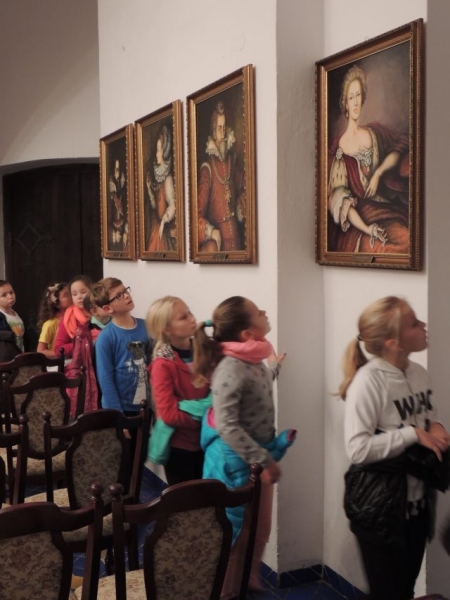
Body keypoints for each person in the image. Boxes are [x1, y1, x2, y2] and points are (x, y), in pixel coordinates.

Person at [340, 296, 450, 600]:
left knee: (404, 589)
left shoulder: (418, 372)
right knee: (387, 592)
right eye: (414, 323)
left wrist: (437, 426)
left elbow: (428, 417)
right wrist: (412, 434)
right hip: (379, 509)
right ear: (393, 343)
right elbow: (358, 450)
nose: (423, 325)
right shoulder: (368, 382)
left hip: (418, 507)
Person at [193, 296, 294, 594]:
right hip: (235, 461)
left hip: (256, 460)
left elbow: (256, 383)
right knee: (235, 533)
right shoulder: (230, 368)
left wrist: (274, 368)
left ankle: (247, 579)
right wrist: (265, 460)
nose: (264, 311)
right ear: (247, 334)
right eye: (258, 312)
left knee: (259, 528)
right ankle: (227, 590)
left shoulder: (253, 360)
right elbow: (227, 426)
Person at [328, 65, 410, 254]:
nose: (356, 102)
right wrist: (367, 229)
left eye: (358, 95)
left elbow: (400, 145)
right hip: (360, 218)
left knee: (407, 237)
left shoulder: (374, 131)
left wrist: (378, 173)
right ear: (345, 103)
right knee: (391, 246)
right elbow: (340, 200)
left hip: (385, 208)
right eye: (351, 97)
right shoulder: (337, 149)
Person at [146, 296, 210, 486]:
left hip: (208, 440)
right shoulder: (162, 364)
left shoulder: (204, 352)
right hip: (181, 449)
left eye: (190, 312)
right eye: (183, 317)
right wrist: (205, 415)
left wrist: (189, 407)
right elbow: (168, 414)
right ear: (166, 329)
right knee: (186, 500)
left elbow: (219, 394)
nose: (192, 318)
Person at [94, 278, 151, 416]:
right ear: (108, 308)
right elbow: (105, 379)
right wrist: (118, 415)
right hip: (121, 410)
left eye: (125, 290)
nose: (126, 295)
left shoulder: (147, 326)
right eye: (119, 295)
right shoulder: (106, 338)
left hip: (146, 406)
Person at [197, 101, 246, 253]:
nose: (223, 132)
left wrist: (240, 203)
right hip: (220, 244)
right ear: (213, 131)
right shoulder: (207, 169)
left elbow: (245, 186)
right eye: (219, 128)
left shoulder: (232, 160)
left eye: (224, 127)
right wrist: (211, 231)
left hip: (236, 238)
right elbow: (196, 215)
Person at [64, 286, 111, 416]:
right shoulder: (84, 333)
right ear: (93, 311)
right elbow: (76, 364)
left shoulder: (117, 328)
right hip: (93, 381)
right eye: (104, 305)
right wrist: (74, 394)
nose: (109, 307)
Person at [145, 125, 177, 252]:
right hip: (157, 225)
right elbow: (155, 206)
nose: (156, 154)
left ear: (163, 151)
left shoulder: (167, 179)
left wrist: (163, 221)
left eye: (158, 150)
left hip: (164, 226)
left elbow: (173, 205)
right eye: (157, 150)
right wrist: (149, 189)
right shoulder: (158, 178)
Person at [54, 275, 92, 360]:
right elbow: (58, 350)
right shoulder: (68, 319)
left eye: (83, 292)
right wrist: (83, 344)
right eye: (74, 294)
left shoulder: (101, 313)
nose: (79, 296)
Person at [36, 282, 71, 358]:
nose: (71, 297)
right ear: (57, 304)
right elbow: (40, 351)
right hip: (58, 362)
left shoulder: (74, 319)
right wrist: (61, 353)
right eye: (66, 295)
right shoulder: (50, 324)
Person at [0, 279, 24, 361]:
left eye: (11, 292)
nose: (10, 296)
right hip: (7, 359)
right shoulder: (1, 317)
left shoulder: (17, 314)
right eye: (4, 295)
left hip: (20, 354)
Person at [109, 158, 128, 251]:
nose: (117, 172)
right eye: (116, 170)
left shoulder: (122, 192)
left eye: (118, 170)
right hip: (114, 225)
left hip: (122, 225)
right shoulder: (111, 193)